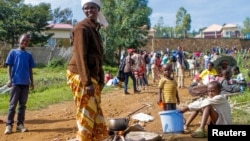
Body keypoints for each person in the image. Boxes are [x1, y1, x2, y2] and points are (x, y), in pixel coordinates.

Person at [66, 0, 109, 140]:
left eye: (92, 7)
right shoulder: (81, 28)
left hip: (91, 76)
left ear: (98, 9)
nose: (89, 10)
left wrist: (101, 80)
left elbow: (98, 58)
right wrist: (87, 82)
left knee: (95, 112)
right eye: (86, 8)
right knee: (86, 114)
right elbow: (80, 56)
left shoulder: (94, 29)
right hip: (80, 75)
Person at [4, 33, 35, 134]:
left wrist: (32, 82)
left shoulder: (29, 55)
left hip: (25, 83)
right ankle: (9, 125)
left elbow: (30, 70)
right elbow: (9, 67)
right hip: (15, 83)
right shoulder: (13, 52)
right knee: (12, 105)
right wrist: (10, 79)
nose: (25, 42)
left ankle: (20, 125)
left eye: (27, 41)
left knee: (22, 105)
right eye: (23, 40)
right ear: (19, 40)